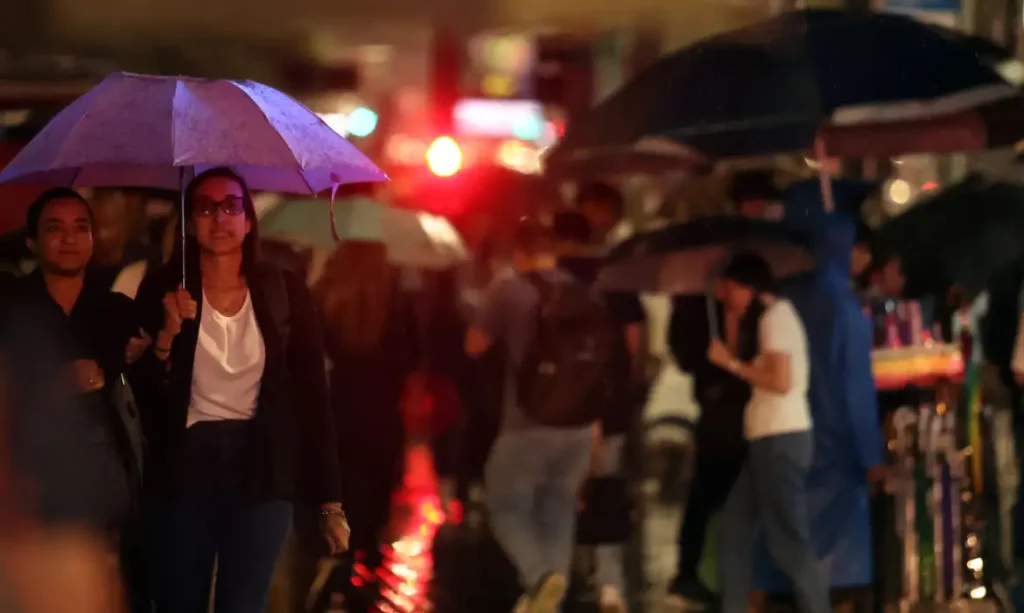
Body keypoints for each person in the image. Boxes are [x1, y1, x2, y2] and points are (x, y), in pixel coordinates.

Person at [132, 167, 349, 613]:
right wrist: (166, 336)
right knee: (177, 601)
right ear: (190, 223)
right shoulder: (162, 288)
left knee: (245, 603)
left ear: (249, 219)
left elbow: (313, 396)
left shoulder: (282, 288)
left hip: (261, 465)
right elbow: (142, 399)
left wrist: (330, 501)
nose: (220, 218)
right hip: (183, 465)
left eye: (232, 205)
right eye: (206, 208)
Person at [3, 187, 150, 611]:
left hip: (108, 487)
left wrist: (157, 347)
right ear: (32, 240)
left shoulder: (115, 309)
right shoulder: (11, 306)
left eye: (80, 228)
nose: (69, 238)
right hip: (30, 492)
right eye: (55, 228)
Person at [465, 218, 597, 613]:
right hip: (578, 424)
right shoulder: (579, 290)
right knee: (558, 508)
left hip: (526, 422)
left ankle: (539, 576)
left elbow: (474, 345)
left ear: (518, 251)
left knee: (504, 503)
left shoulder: (507, 286)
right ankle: (550, 598)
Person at [706, 252, 828, 613]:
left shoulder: (776, 318)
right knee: (735, 527)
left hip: (779, 438)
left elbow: (779, 380)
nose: (727, 297)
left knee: (789, 542)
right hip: (766, 438)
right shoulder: (763, 320)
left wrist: (730, 363)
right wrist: (729, 320)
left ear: (749, 287)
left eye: (731, 290)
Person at [553, 210, 648, 613]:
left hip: (559, 409)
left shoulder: (550, 282)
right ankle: (611, 585)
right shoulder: (616, 280)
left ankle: (561, 576)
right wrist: (631, 385)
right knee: (607, 488)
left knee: (561, 492)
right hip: (611, 406)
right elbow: (634, 342)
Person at [664, 285, 763, 611]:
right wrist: (713, 357)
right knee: (711, 488)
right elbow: (682, 351)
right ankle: (695, 570)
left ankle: (715, 572)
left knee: (721, 491)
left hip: (745, 406)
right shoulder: (695, 303)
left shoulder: (754, 307)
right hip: (716, 404)